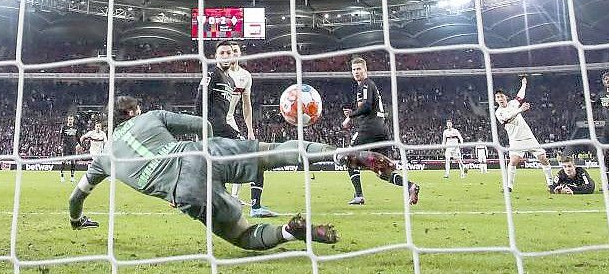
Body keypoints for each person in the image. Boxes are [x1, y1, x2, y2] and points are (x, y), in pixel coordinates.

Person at [68, 96, 400, 250]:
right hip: (199, 152)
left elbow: (76, 196)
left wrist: (76, 220)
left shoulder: (102, 157)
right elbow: (205, 125)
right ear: (132, 112)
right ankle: (345, 154)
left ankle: (290, 231)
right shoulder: (152, 115)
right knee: (273, 151)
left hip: (182, 190)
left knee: (242, 236)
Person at [195, 40, 276, 218]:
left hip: (225, 125)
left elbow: (241, 107)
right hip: (214, 128)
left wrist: (248, 130)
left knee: (223, 167)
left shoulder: (232, 80)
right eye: (222, 53)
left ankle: (240, 203)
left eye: (229, 52)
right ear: (215, 56)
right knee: (253, 157)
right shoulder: (212, 74)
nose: (227, 56)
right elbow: (199, 104)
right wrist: (203, 129)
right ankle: (249, 206)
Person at [341, 57, 420, 205]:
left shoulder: (365, 84)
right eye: (354, 69)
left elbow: (366, 107)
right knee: (382, 171)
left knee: (348, 158)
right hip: (381, 129)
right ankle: (411, 186)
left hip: (369, 127)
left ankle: (358, 195)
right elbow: (367, 107)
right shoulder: (370, 86)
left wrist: (350, 116)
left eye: (359, 69)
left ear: (365, 70)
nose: (356, 72)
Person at [494, 77, 553, 192]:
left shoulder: (513, 104)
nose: (500, 99)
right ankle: (509, 187)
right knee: (513, 161)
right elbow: (507, 117)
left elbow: (520, 96)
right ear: (496, 100)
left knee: (543, 159)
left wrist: (524, 84)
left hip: (529, 137)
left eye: (501, 96)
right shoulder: (499, 112)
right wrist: (520, 110)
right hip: (516, 140)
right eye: (497, 97)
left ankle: (551, 184)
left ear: (505, 97)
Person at [59, 115, 80, 183]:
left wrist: (80, 144)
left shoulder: (76, 127)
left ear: (73, 120)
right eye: (69, 119)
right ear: (67, 120)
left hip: (73, 146)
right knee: (64, 160)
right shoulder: (64, 127)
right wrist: (59, 145)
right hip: (66, 146)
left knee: (73, 161)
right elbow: (61, 136)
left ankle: (72, 177)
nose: (70, 120)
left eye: (71, 119)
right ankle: (62, 176)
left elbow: (77, 136)